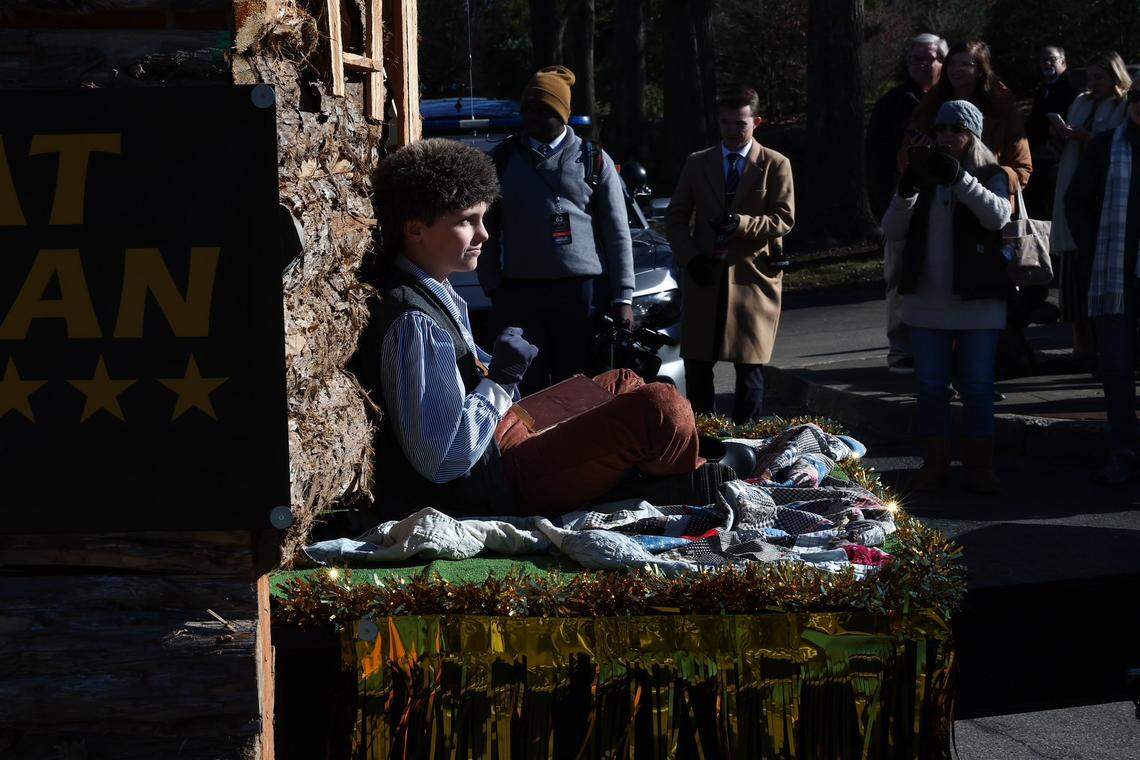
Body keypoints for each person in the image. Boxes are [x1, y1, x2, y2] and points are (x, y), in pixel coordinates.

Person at [354, 138, 708, 517]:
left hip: (500, 438)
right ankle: (684, 478)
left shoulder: (432, 285)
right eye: (466, 221)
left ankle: (666, 474)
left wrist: (491, 367)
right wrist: (502, 378)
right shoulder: (414, 321)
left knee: (622, 381)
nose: (484, 234)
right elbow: (443, 462)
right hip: (491, 481)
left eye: (484, 218)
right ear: (415, 229)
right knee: (661, 409)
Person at [882, 101, 1013, 493]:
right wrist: (906, 189)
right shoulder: (922, 175)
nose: (943, 135)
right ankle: (934, 462)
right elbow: (891, 229)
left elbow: (998, 216)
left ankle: (980, 465)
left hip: (978, 303)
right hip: (927, 302)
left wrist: (960, 180)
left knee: (977, 386)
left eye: (953, 128)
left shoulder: (991, 173)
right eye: (938, 128)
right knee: (930, 387)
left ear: (970, 134)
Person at [479, 66, 634, 395]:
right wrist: (491, 283)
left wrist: (623, 296)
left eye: (542, 109)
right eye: (527, 108)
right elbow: (487, 225)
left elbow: (618, 232)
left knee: (576, 384)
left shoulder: (593, 159)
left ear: (561, 113)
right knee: (527, 385)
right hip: (520, 291)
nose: (532, 116)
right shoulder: (503, 158)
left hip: (580, 292)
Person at [665, 86, 795, 423]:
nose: (732, 131)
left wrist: (741, 224)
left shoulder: (775, 164)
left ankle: (747, 438)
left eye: (740, 124)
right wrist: (690, 258)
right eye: (725, 123)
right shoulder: (698, 163)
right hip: (704, 273)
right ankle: (702, 435)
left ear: (756, 122)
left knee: (749, 367)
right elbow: (676, 217)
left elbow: (784, 219)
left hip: (753, 277)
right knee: (697, 365)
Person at [1063, 78, 1140, 485]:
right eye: (1138, 97)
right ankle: (1124, 450)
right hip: (1115, 274)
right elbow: (1075, 200)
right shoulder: (1108, 145)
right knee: (1116, 368)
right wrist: (1094, 250)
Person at [866, 32, 948, 375]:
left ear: (941, 61)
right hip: (903, 200)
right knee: (899, 276)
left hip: (948, 200)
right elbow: (875, 159)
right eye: (914, 59)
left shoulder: (952, 100)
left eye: (927, 58)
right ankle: (902, 348)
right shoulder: (892, 104)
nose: (920, 64)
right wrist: (881, 207)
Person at [1052, 51, 1132, 367]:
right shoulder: (1081, 103)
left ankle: (1103, 346)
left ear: (1115, 75)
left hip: (1104, 195)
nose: (1093, 84)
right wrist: (1060, 135)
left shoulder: (1123, 106)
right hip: (1074, 186)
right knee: (1072, 273)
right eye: (1090, 78)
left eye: (1099, 77)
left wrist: (1087, 138)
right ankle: (1080, 344)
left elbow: (1117, 144)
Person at [1025, 46, 1079, 220]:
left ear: (1063, 62)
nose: (1047, 63)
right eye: (1043, 60)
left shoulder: (1072, 88)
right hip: (1039, 153)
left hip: (1059, 154)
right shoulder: (1042, 89)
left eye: (1052, 59)